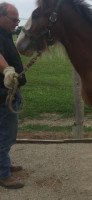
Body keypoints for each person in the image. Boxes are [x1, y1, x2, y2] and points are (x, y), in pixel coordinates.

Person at [0, 2, 26, 189]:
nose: (17, 23)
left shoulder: (7, 35)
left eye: (18, 20)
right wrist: (7, 69)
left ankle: (4, 164)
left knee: (7, 133)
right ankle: (3, 174)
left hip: (10, 92)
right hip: (3, 94)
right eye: (14, 19)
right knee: (5, 134)